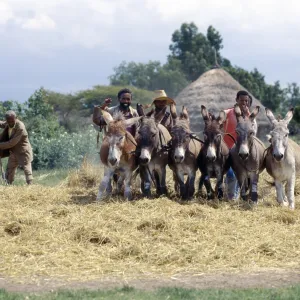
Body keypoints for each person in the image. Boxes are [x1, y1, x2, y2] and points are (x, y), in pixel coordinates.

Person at [222, 90, 257, 200]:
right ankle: (231, 197)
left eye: (246, 101)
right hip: (228, 150)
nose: (244, 103)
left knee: (243, 175)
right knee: (231, 174)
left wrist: (248, 115)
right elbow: (219, 123)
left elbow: (254, 132)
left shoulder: (250, 117)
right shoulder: (228, 113)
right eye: (241, 100)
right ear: (236, 100)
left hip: (244, 151)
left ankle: (236, 194)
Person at [0, 110, 33, 185]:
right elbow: (2, 123)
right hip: (13, 151)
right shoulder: (8, 123)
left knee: (27, 170)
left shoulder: (20, 127)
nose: (10, 123)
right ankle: (9, 186)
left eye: (12, 121)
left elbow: (12, 143)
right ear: (7, 120)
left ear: (16, 118)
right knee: (10, 170)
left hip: (23, 151)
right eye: (9, 121)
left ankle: (31, 187)